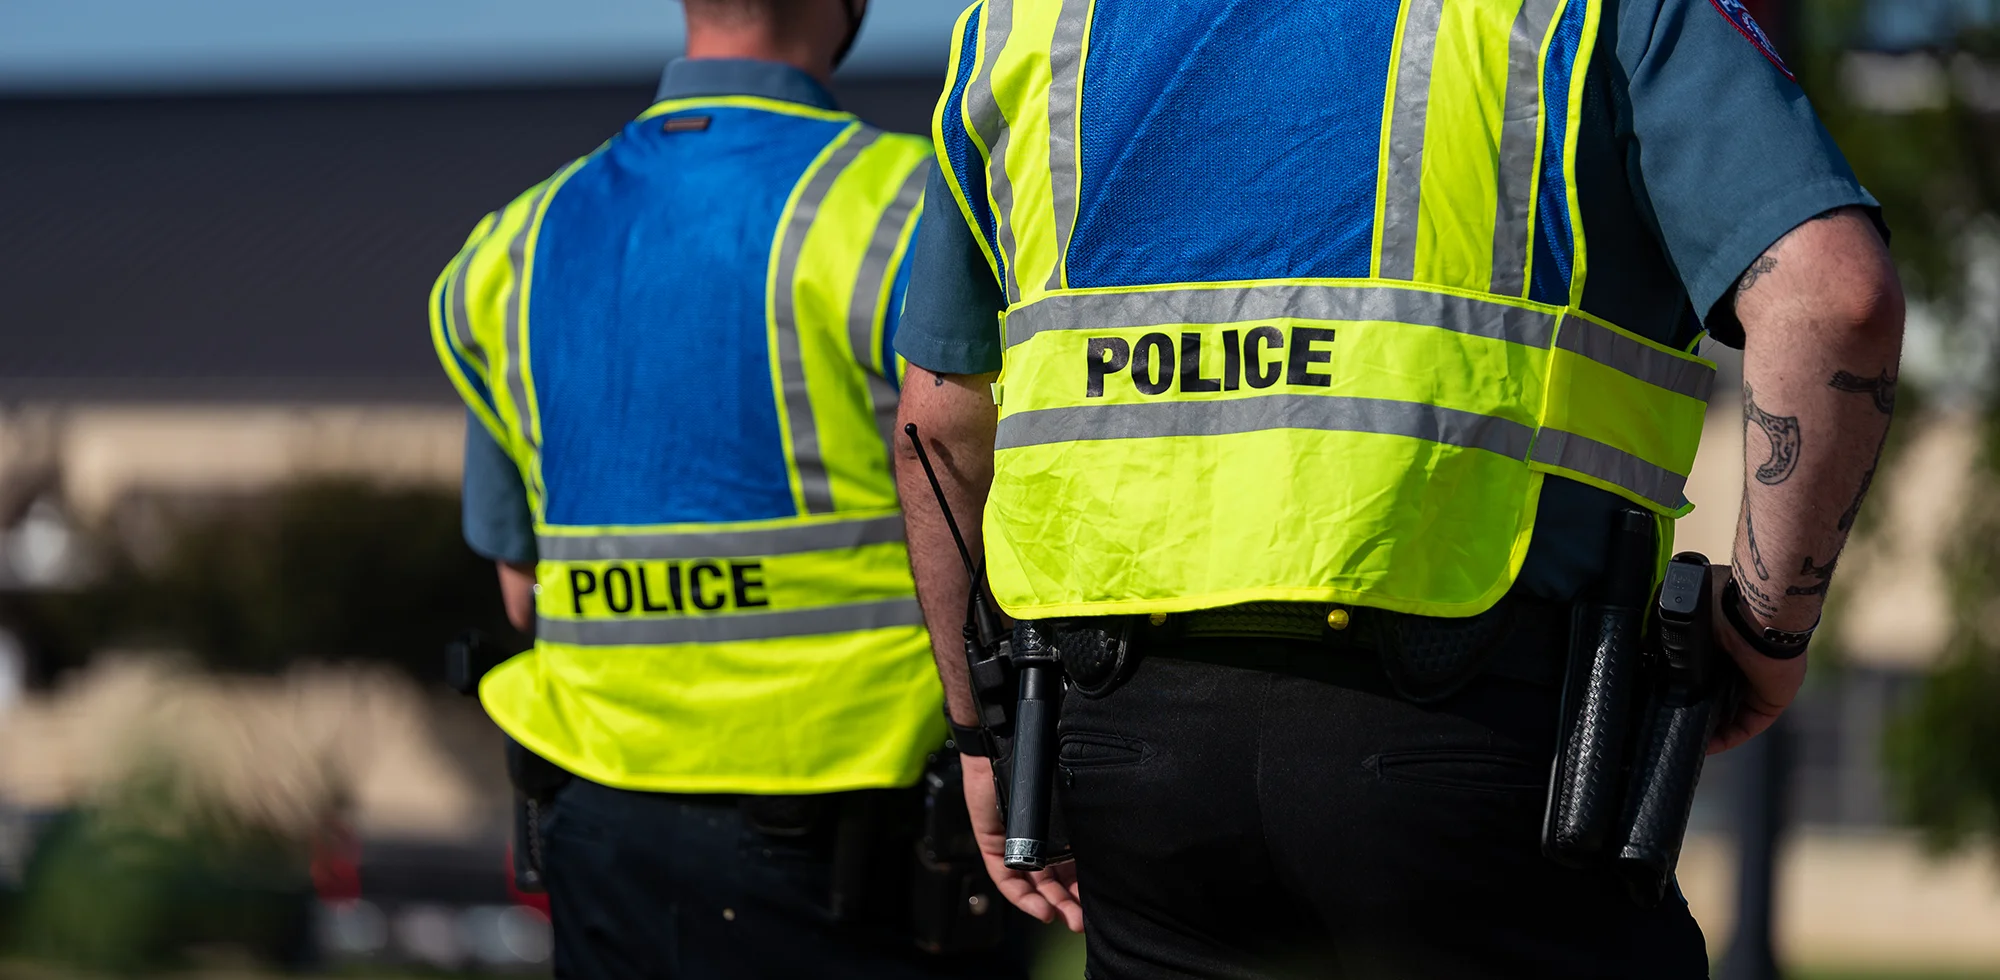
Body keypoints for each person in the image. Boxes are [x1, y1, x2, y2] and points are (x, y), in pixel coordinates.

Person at [894, 0, 1904, 977]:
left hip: (1131, 757)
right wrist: (1766, 627)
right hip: (1474, 740)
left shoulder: (1025, 23)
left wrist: (981, 733)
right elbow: (1834, 299)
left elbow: (937, 426)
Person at [431, 2, 1026, 977]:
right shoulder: (912, 202)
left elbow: (519, 590)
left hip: (600, 832)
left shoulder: (511, 246)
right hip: (862, 845)